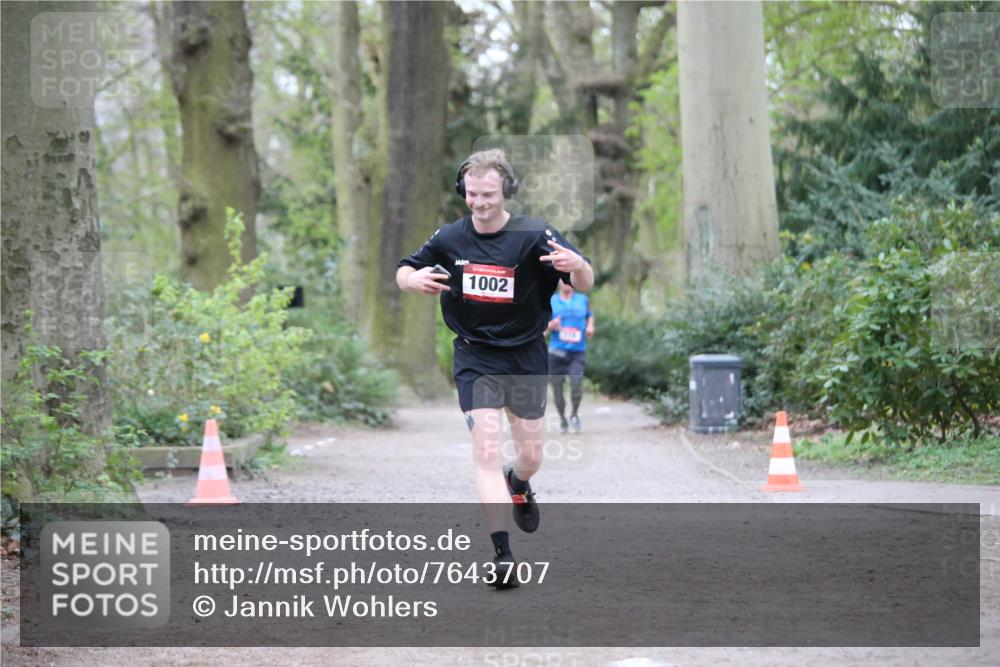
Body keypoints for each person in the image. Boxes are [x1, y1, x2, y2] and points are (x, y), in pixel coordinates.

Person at [396, 148, 593, 589]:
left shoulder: (534, 235)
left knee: (531, 456)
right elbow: (405, 268)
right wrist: (412, 279)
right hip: (475, 355)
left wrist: (578, 266)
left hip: (525, 355)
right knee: (486, 451)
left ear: (506, 191)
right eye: (472, 194)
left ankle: (518, 484)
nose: (479, 202)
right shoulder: (450, 237)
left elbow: (583, 280)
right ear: (462, 191)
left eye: (488, 194)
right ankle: (502, 555)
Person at [546, 279, 594, 434]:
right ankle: (562, 419)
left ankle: (574, 414)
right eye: (563, 278)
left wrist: (590, 326)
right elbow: (542, 329)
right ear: (558, 281)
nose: (566, 282)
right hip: (556, 352)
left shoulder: (582, 299)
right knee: (557, 389)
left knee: (576, 384)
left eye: (568, 278)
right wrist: (550, 325)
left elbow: (589, 315)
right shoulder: (551, 300)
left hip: (577, 352)